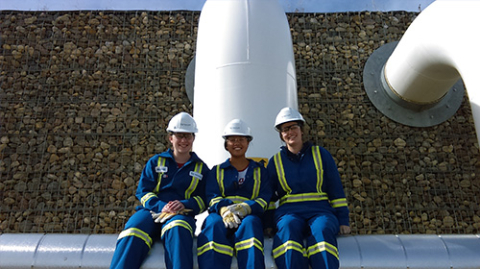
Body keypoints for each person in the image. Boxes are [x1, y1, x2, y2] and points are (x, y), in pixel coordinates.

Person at [110, 112, 210, 269]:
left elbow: (204, 199)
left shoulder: (202, 168)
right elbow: (143, 192)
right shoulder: (156, 162)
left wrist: (183, 205)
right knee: (132, 233)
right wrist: (160, 206)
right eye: (179, 136)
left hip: (180, 215)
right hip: (150, 212)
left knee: (178, 230)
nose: (183, 140)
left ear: (193, 139)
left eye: (188, 136)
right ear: (171, 138)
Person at [266, 107, 351, 269]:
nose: (290, 132)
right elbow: (269, 196)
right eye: (285, 129)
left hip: (321, 211)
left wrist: (343, 220)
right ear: (281, 135)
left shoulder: (321, 154)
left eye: (293, 127)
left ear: (302, 130)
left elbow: (335, 189)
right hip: (289, 213)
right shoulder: (275, 162)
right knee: (288, 229)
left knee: (322, 229)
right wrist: (269, 224)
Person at [197, 119, 271, 269]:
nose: (237, 143)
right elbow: (211, 196)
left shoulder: (260, 171)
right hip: (221, 216)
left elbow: (265, 197)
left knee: (251, 225)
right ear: (226, 144)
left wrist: (247, 207)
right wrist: (224, 209)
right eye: (232, 140)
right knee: (212, 225)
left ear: (248, 142)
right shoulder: (216, 171)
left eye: (241, 139)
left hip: (250, 216)